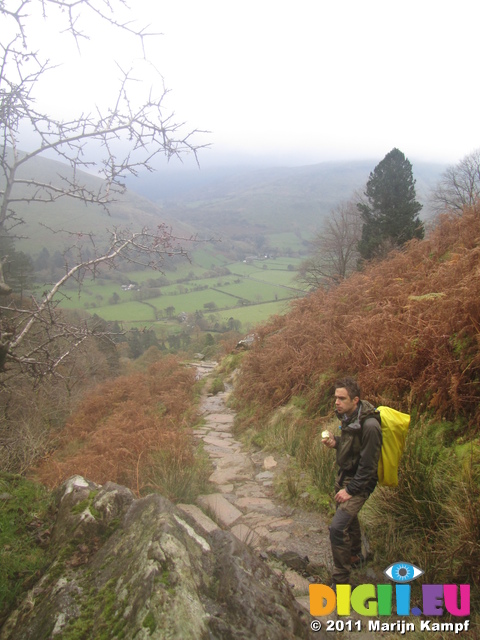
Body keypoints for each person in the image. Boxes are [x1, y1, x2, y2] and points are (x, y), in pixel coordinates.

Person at [322, 377, 382, 586]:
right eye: (335, 398)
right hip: (346, 476)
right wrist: (335, 443)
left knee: (338, 528)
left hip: (360, 482)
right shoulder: (348, 416)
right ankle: (355, 556)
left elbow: (368, 466)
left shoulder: (371, 426)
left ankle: (341, 581)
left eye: (342, 398)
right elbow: (351, 448)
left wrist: (350, 490)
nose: (336, 402)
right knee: (348, 518)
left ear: (355, 400)